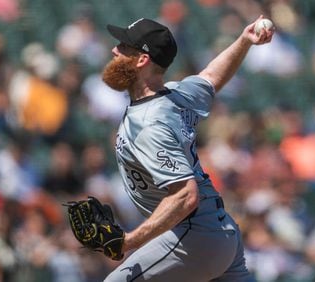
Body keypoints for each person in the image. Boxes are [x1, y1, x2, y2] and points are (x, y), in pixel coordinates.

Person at [101, 17, 273, 281]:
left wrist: (129, 240)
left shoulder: (149, 124)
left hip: (194, 234)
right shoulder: (176, 95)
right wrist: (243, 41)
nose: (115, 50)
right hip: (220, 231)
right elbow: (211, 78)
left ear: (142, 60)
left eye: (124, 46)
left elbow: (184, 196)